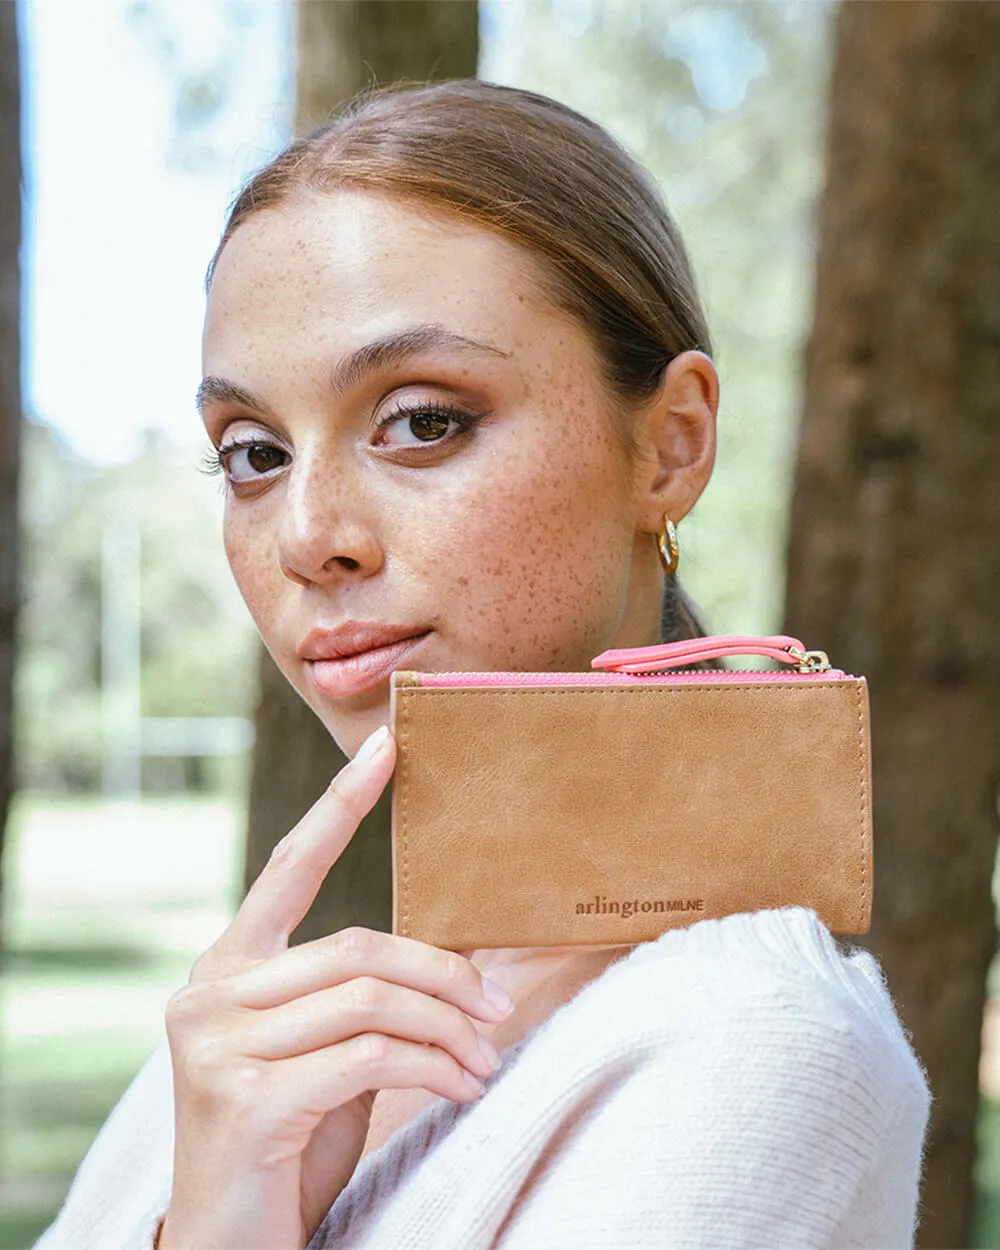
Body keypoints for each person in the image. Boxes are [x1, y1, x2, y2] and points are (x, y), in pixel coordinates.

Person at [36, 80, 930, 1250]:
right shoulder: (248, 1045)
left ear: (670, 445)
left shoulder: (756, 1035)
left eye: (420, 419)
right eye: (252, 452)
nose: (309, 533)